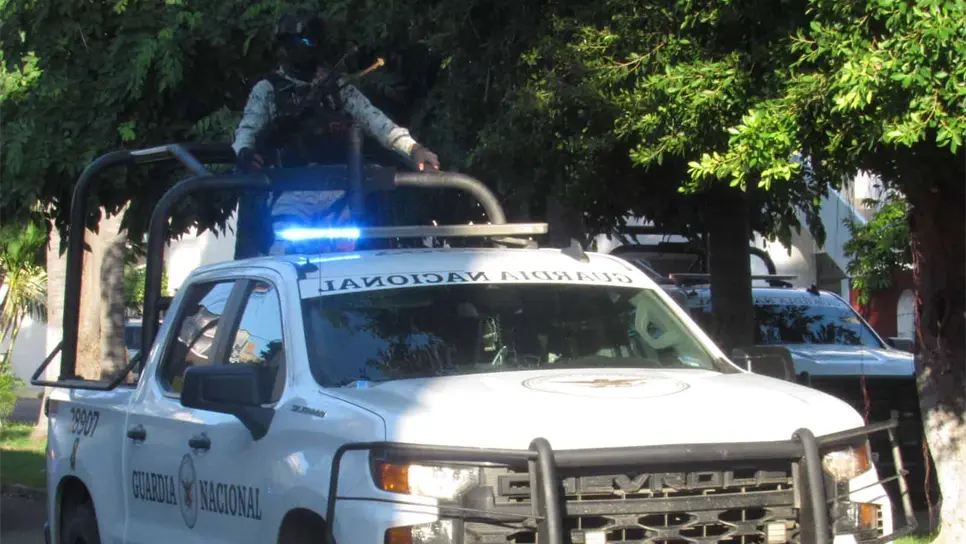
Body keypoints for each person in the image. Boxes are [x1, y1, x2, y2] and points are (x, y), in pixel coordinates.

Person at [232, 8, 441, 257]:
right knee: (284, 259)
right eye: (287, 43)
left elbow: (377, 123)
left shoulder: (338, 89)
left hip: (340, 193)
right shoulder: (267, 90)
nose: (293, 49)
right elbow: (246, 131)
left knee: (347, 264)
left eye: (302, 42)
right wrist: (245, 153)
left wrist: (414, 149)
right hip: (291, 192)